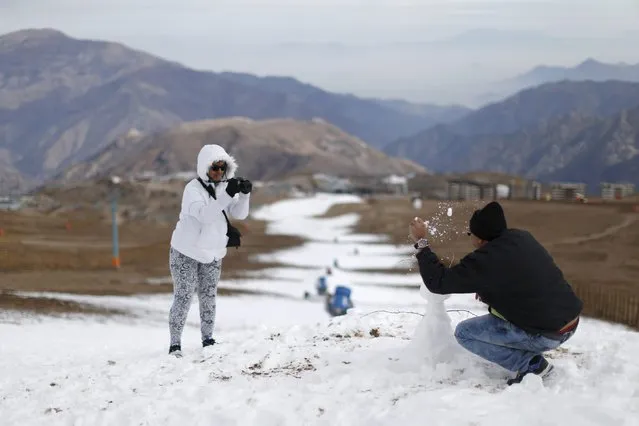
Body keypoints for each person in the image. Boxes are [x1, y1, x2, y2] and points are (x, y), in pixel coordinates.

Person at [409, 201, 583, 385]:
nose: (471, 239)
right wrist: (486, 289)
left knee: (465, 333)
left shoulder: (487, 260)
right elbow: (516, 276)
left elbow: (439, 283)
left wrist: (421, 243)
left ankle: (531, 365)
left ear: (481, 238)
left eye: (471, 234)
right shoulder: (521, 238)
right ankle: (530, 352)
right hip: (570, 321)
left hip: (547, 334)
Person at [167, 144, 252, 357]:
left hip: (213, 252)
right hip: (186, 251)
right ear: (205, 167)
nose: (219, 172)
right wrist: (227, 195)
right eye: (215, 167)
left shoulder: (224, 188)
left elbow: (239, 215)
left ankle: (208, 338)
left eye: (223, 168)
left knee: (208, 296)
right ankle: (175, 344)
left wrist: (244, 195)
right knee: (184, 296)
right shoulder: (192, 190)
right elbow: (205, 215)